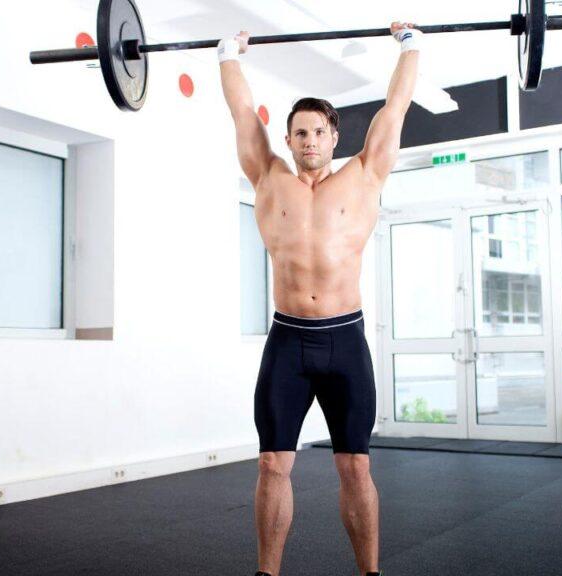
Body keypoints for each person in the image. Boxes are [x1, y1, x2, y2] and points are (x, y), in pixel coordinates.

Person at [218, 21, 420, 576]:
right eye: (300, 133)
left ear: (335, 137)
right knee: (271, 464)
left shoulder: (365, 176)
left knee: (355, 467)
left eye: (319, 132)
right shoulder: (267, 178)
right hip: (289, 341)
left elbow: (396, 108)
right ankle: (267, 573)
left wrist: (410, 46)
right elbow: (241, 114)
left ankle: (370, 573)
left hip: (343, 340)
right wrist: (227, 56)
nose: (309, 141)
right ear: (287, 139)